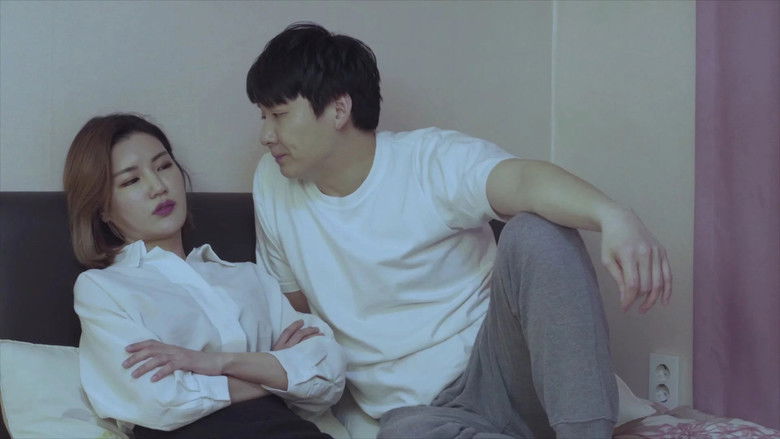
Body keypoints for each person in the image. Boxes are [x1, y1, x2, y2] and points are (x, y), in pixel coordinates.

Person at [246, 23, 673, 439]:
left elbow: (522, 180)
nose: (266, 135)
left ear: (339, 110)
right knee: (404, 432)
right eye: (263, 116)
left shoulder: (426, 160)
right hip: (427, 413)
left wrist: (614, 216)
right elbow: (297, 312)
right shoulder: (273, 183)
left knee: (536, 231)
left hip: (504, 368)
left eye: (279, 115)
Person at [63, 113, 346, 438]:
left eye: (163, 166)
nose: (158, 187)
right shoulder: (103, 288)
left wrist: (213, 363)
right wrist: (275, 371)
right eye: (131, 181)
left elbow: (329, 371)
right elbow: (160, 401)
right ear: (102, 209)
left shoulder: (250, 277)